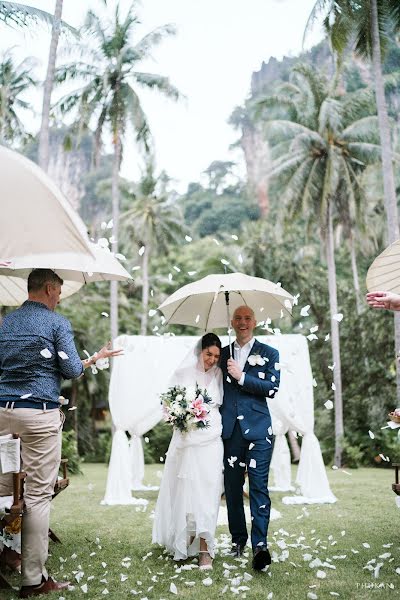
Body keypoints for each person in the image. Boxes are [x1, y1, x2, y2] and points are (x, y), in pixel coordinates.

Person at [0, 269, 123, 598]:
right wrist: (88, 361)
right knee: (38, 496)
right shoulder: (56, 323)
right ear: (50, 289)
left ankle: (6, 555)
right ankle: (33, 580)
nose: (59, 298)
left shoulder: (7, 323)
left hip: (2, 414)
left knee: (2, 489)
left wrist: (94, 358)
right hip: (38, 415)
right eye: (58, 292)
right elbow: (70, 370)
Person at [152, 333, 223, 570]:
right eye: (208, 354)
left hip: (211, 440)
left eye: (216, 356)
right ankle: (186, 541)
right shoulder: (182, 374)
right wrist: (180, 415)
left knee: (208, 492)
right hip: (187, 441)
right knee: (186, 492)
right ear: (199, 352)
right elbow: (166, 406)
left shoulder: (219, 374)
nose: (212, 360)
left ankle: (205, 550)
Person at [220, 305, 280, 571]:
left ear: (254, 322)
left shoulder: (269, 353)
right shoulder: (223, 354)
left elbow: (272, 388)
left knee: (258, 488)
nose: (243, 322)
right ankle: (238, 540)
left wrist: (241, 376)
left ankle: (260, 546)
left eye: (247, 318)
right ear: (232, 322)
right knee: (232, 490)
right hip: (230, 432)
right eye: (238, 318)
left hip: (259, 431)